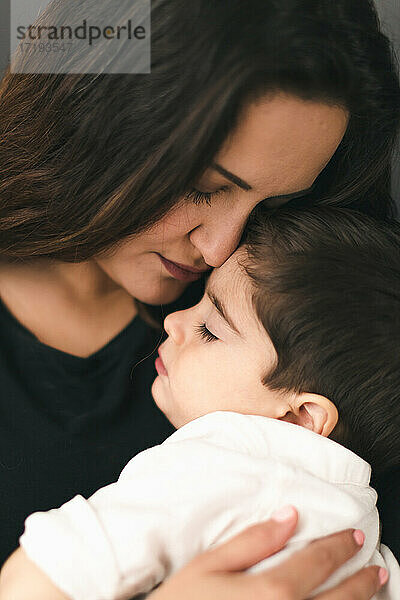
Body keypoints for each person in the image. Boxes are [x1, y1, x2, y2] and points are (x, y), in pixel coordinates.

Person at [0, 0, 399, 597]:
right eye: (203, 188)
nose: (219, 251)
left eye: (274, 206)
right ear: (94, 120)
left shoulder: (323, 345)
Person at [1, 206, 400, 599]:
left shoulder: (216, 469)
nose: (173, 322)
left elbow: (41, 577)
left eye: (210, 329)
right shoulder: (365, 532)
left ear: (300, 416)